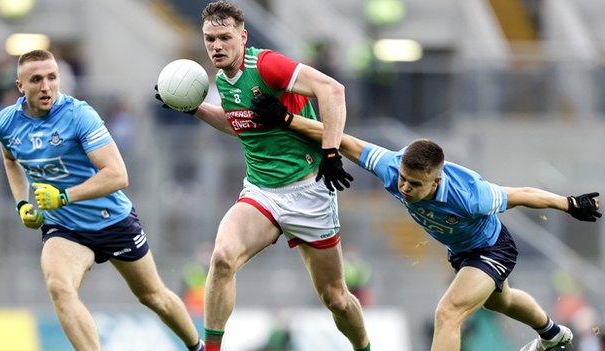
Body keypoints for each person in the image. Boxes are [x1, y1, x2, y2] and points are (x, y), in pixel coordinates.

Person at [249, 94, 602, 351]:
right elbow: (344, 140)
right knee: (500, 301)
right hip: (461, 251)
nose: (404, 187)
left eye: (415, 184)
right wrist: (286, 119)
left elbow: (522, 193)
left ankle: (552, 335)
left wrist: (569, 204)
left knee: (447, 312)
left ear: (436, 181)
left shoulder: (471, 195)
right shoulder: (392, 168)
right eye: (403, 179)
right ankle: (553, 334)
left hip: (493, 248)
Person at [155, 2, 370, 350]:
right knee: (222, 258)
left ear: (243, 36)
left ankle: (364, 347)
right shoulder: (223, 80)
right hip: (261, 192)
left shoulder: (267, 65)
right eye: (210, 39)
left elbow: (333, 90)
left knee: (336, 298)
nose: (216, 46)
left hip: (308, 190)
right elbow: (241, 124)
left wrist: (331, 152)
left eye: (225, 37)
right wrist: (194, 108)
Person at [0, 49, 204, 351]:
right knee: (60, 287)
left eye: (52, 77)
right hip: (65, 228)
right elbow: (10, 158)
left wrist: (63, 196)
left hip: (112, 220)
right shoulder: (5, 123)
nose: (46, 86)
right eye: (36, 80)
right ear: (20, 86)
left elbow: (118, 175)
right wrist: (22, 202)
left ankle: (198, 346)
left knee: (153, 296)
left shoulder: (79, 115)